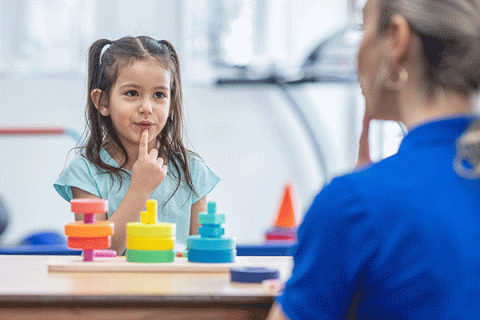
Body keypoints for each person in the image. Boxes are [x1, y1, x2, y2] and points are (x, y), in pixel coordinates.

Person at [268, 0, 480, 318]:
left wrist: (352, 206)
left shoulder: (355, 205)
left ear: (397, 39)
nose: (357, 54)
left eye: (361, 29)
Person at [54, 36, 219, 254]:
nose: (147, 107)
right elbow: (99, 251)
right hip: (112, 288)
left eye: (159, 95)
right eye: (132, 93)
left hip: (176, 288)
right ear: (102, 102)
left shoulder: (192, 170)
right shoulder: (85, 173)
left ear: (171, 105)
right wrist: (140, 189)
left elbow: (201, 255)